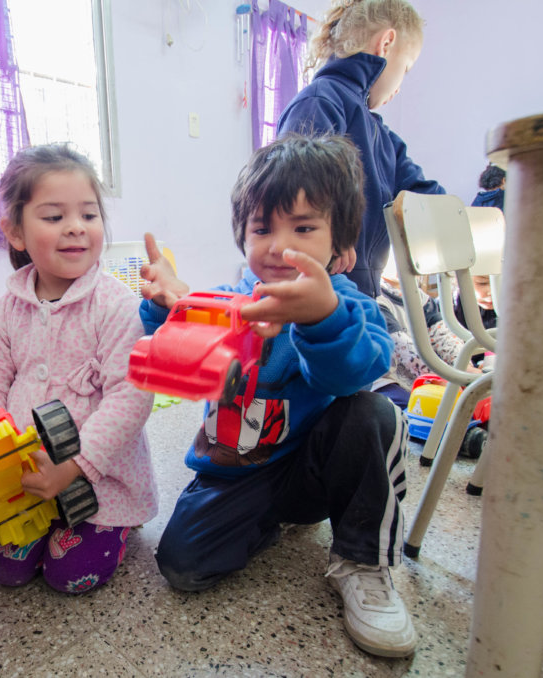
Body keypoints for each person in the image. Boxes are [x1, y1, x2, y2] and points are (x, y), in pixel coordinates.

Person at [140, 134, 416, 658]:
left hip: (315, 468)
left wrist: (320, 318)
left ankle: (362, 561)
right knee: (182, 565)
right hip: (242, 469)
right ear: (242, 238)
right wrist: (168, 306)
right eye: (262, 227)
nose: (278, 244)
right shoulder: (226, 300)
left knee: (371, 413)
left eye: (304, 227)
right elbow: (173, 359)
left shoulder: (353, 306)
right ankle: (263, 522)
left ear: (342, 249)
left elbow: (352, 373)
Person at [0, 143, 158, 595]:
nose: (76, 228)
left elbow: (130, 398)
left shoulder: (117, 306)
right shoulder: (5, 310)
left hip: (100, 481)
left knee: (68, 577)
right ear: (15, 232)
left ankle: (118, 529)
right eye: (53, 217)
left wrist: (74, 466)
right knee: (6, 572)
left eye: (89, 215)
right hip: (25, 479)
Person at [277, 0, 444, 298]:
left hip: (363, 289)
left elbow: (430, 199)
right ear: (386, 44)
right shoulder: (320, 101)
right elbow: (294, 182)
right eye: (405, 68)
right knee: (386, 343)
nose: (400, 85)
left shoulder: (384, 138)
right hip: (322, 289)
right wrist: (334, 234)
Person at [373, 267, 470, 410]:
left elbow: (443, 336)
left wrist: (464, 365)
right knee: (408, 407)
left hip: (429, 377)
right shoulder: (376, 300)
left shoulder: (421, 299)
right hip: (388, 379)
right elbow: (404, 351)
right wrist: (447, 378)